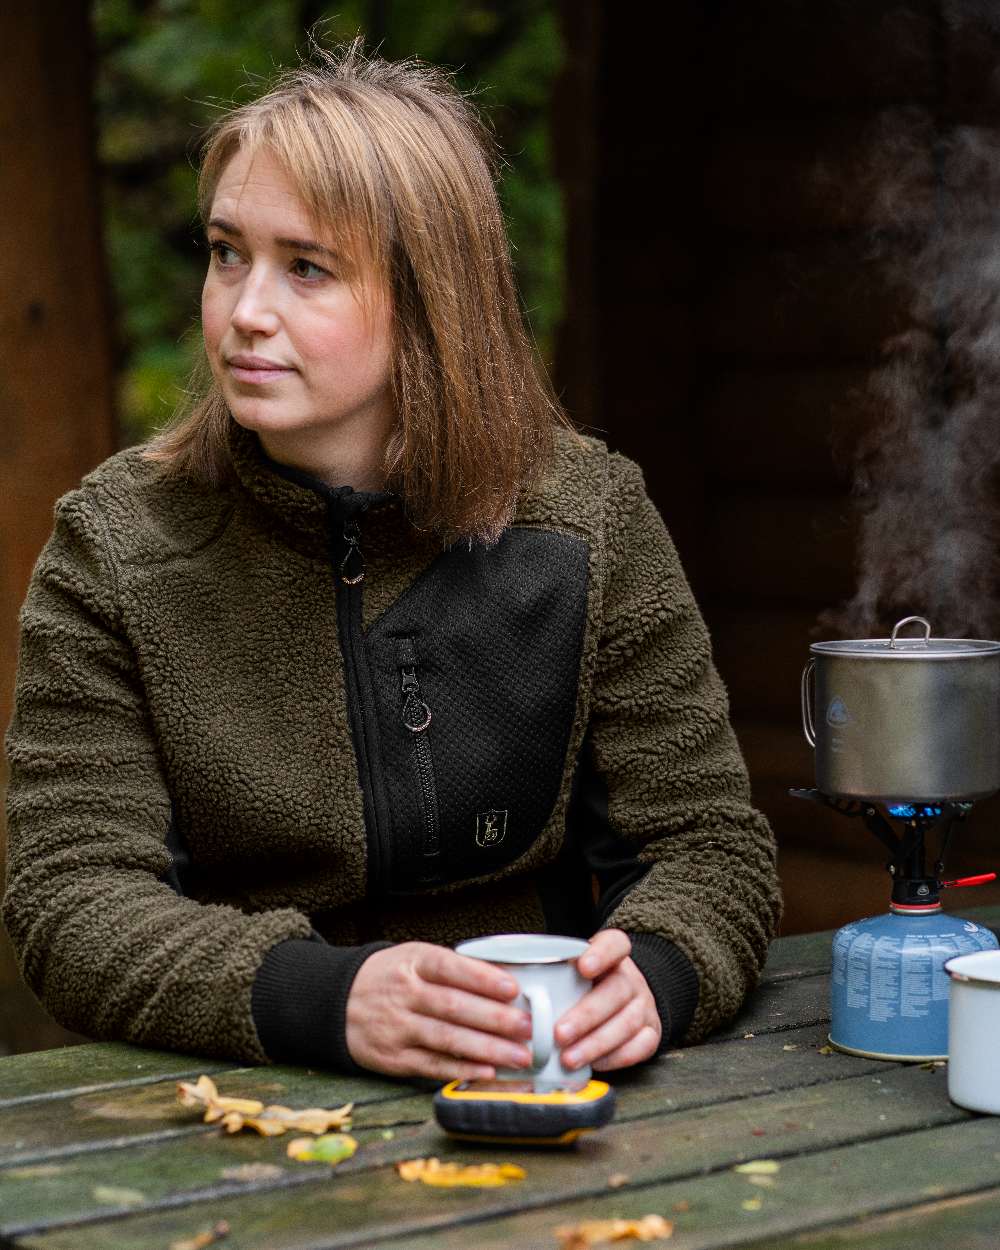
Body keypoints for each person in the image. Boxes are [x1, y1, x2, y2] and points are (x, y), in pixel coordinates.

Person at [2, 42, 782, 1083]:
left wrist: (656, 971)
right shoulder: (114, 544)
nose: (243, 310)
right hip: (236, 1105)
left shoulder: (591, 517)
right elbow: (72, 895)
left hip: (539, 1084)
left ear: (428, 298)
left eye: (306, 266)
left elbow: (707, 843)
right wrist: (321, 997)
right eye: (228, 251)